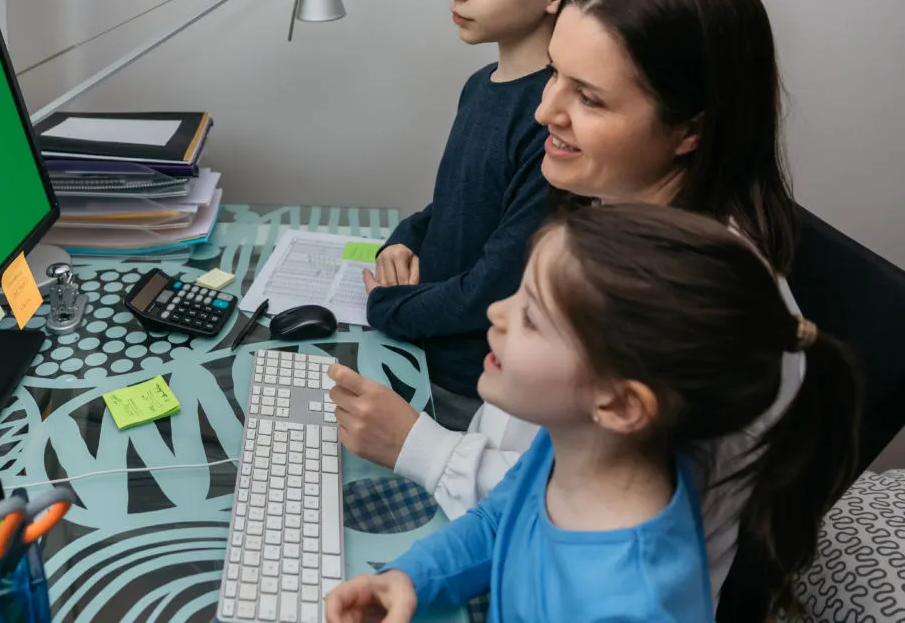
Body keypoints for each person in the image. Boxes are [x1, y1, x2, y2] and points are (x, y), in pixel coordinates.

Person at [331, 0, 803, 606]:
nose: (543, 110)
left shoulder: (684, 304)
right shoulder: (601, 218)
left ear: (689, 129)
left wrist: (417, 445)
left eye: (589, 96)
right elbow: (535, 490)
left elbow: (585, 515)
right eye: (555, 72)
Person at [326, 204, 860, 623]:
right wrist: (410, 579)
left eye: (531, 316)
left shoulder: (634, 602)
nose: (496, 311)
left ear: (619, 403)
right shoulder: (567, 450)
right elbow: (497, 522)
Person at [363, 0, 633, 429]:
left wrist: (387, 308)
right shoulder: (479, 87)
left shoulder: (554, 124)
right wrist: (405, 237)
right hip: (420, 341)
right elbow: (462, 202)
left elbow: (498, 282)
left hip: (467, 385)